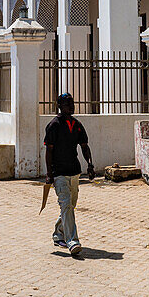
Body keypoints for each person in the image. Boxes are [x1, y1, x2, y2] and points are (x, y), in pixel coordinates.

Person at [43, 92, 94, 257]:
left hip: (74, 171)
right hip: (59, 173)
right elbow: (48, 151)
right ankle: (73, 241)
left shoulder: (77, 125)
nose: (71, 107)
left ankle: (59, 233)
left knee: (70, 206)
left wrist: (90, 164)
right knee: (65, 205)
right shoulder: (53, 126)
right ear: (60, 106)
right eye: (68, 104)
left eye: (72, 103)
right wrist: (49, 174)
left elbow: (84, 146)